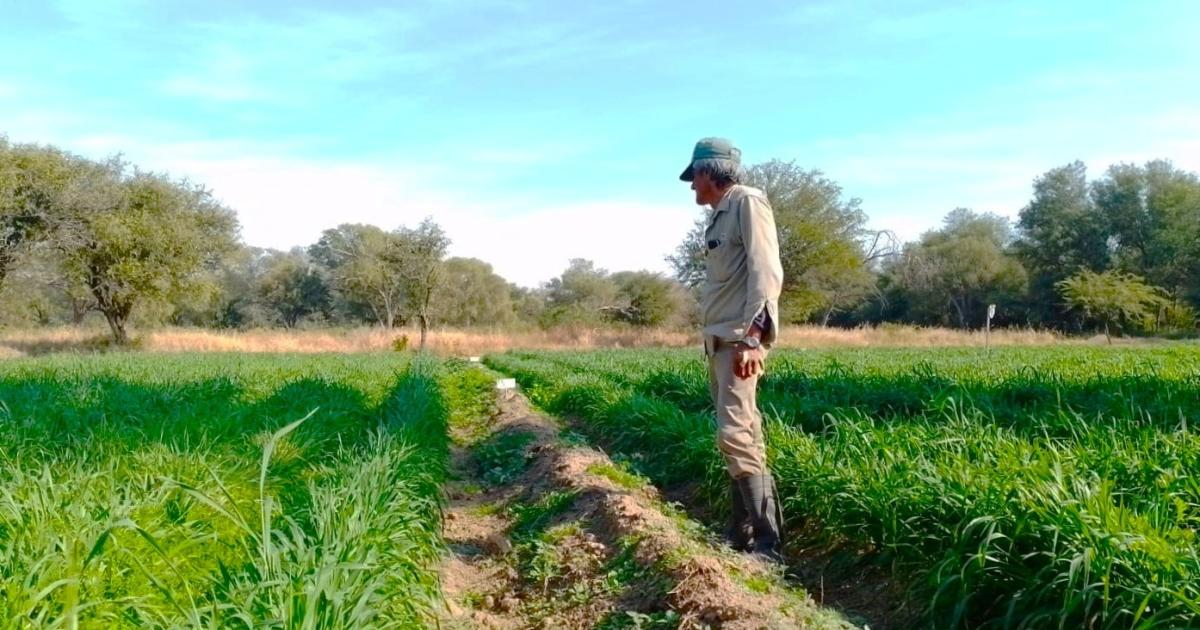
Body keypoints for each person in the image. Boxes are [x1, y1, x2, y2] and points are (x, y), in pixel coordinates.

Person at [679, 137, 785, 562]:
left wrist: (754, 338)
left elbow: (766, 270)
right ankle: (741, 533)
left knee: (735, 434)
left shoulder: (747, 202)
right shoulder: (719, 215)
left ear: (709, 172)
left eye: (694, 178)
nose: (691, 187)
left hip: (740, 342)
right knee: (738, 437)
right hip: (720, 344)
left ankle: (767, 545)